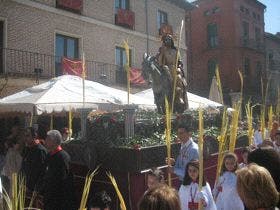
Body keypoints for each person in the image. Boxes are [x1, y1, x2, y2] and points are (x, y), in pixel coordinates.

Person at [39, 130, 77, 210]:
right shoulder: (49, 155)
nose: (45, 141)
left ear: (54, 141)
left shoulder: (63, 157)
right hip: (48, 198)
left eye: (47, 139)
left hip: (58, 201)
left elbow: (63, 180)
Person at [157, 34, 188, 113]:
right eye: (166, 40)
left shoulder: (176, 51)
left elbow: (180, 62)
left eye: (169, 40)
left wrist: (179, 67)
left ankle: (180, 97)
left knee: (178, 77)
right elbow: (160, 62)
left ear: (172, 41)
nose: (168, 41)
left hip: (175, 68)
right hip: (166, 68)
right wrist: (161, 53)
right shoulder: (163, 51)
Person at [20, 127, 47, 192]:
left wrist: (36, 189)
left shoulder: (40, 151)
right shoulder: (27, 148)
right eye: (24, 135)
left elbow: (42, 172)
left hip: (34, 189)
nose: (25, 138)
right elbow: (23, 167)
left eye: (28, 136)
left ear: (34, 136)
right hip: (24, 186)